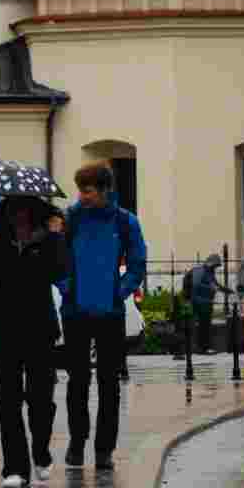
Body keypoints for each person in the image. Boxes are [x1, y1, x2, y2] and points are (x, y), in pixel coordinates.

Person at [0, 197, 67, 488]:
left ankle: (40, 451)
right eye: (13, 212)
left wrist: (54, 237)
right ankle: (14, 467)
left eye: (24, 211)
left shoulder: (47, 242)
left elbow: (60, 270)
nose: (19, 217)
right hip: (6, 333)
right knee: (9, 401)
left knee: (40, 399)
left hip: (40, 329)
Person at [61, 161, 147, 470]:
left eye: (88, 190)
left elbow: (138, 262)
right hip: (75, 312)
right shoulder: (70, 219)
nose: (82, 196)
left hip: (110, 312)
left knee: (109, 384)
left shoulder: (125, 222)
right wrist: (67, 287)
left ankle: (104, 449)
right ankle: (76, 442)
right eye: (80, 190)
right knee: (77, 382)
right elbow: (58, 259)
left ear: (104, 189)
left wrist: (119, 290)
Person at [183, 253, 221, 352]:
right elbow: (195, 285)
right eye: (216, 265)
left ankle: (204, 347)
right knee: (202, 325)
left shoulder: (209, 272)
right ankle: (202, 348)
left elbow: (214, 284)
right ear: (211, 263)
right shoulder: (200, 271)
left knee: (205, 325)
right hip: (200, 302)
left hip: (206, 302)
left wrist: (224, 289)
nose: (216, 268)